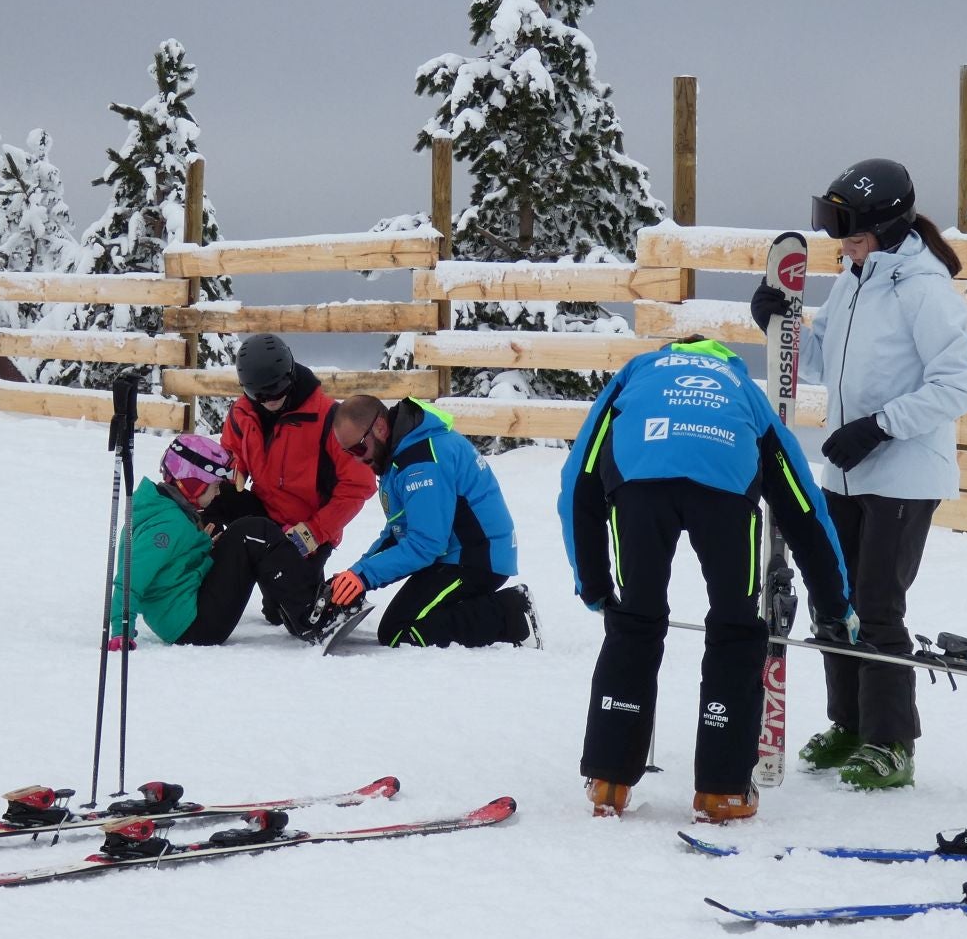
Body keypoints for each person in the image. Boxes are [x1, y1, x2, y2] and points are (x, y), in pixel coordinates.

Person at [749, 159, 967, 791]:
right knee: (832, 599)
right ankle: (849, 724)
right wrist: (778, 321)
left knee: (876, 606)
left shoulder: (923, 289)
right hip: (845, 471)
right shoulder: (854, 280)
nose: (841, 247)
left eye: (852, 235)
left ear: (889, 226)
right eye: (839, 235)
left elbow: (958, 387)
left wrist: (879, 426)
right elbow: (822, 363)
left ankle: (891, 742)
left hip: (903, 475)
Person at [559, 336, 853, 823]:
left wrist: (593, 584)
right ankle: (723, 790)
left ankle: (609, 780)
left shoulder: (639, 370)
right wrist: (835, 601)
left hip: (640, 480)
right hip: (725, 485)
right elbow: (801, 500)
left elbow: (580, 476)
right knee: (736, 628)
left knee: (635, 619)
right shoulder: (740, 383)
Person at [324, 395, 537, 648]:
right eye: (347, 452)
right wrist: (355, 574)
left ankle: (510, 614)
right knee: (401, 623)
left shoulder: (422, 462)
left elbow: (426, 544)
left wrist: (365, 576)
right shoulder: (401, 455)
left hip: (477, 560)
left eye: (358, 448)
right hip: (453, 556)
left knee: (399, 631)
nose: (356, 459)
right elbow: (398, 532)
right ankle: (479, 608)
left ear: (380, 428)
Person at [204, 334, 376, 638]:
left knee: (280, 613)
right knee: (211, 495)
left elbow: (359, 485)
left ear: (291, 375)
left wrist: (315, 531)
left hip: (308, 528)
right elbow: (230, 454)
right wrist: (237, 469)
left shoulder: (329, 418)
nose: (269, 399)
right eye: (259, 393)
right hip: (264, 513)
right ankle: (194, 580)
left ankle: (320, 603)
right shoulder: (243, 413)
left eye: (277, 389)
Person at [108, 433, 242, 646]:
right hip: (187, 625)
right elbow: (131, 577)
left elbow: (170, 564)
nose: (218, 493)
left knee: (237, 538)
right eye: (216, 485)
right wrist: (120, 630)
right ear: (195, 483)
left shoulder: (164, 508)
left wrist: (203, 546)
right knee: (249, 536)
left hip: (181, 611)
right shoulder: (168, 524)